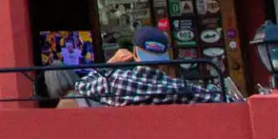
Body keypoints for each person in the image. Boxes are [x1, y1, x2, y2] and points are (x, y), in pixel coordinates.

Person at [72, 27, 244, 105]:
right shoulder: (178, 87)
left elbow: (80, 86)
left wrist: (111, 63)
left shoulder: (115, 82)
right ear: (163, 58)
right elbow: (225, 101)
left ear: (135, 52)